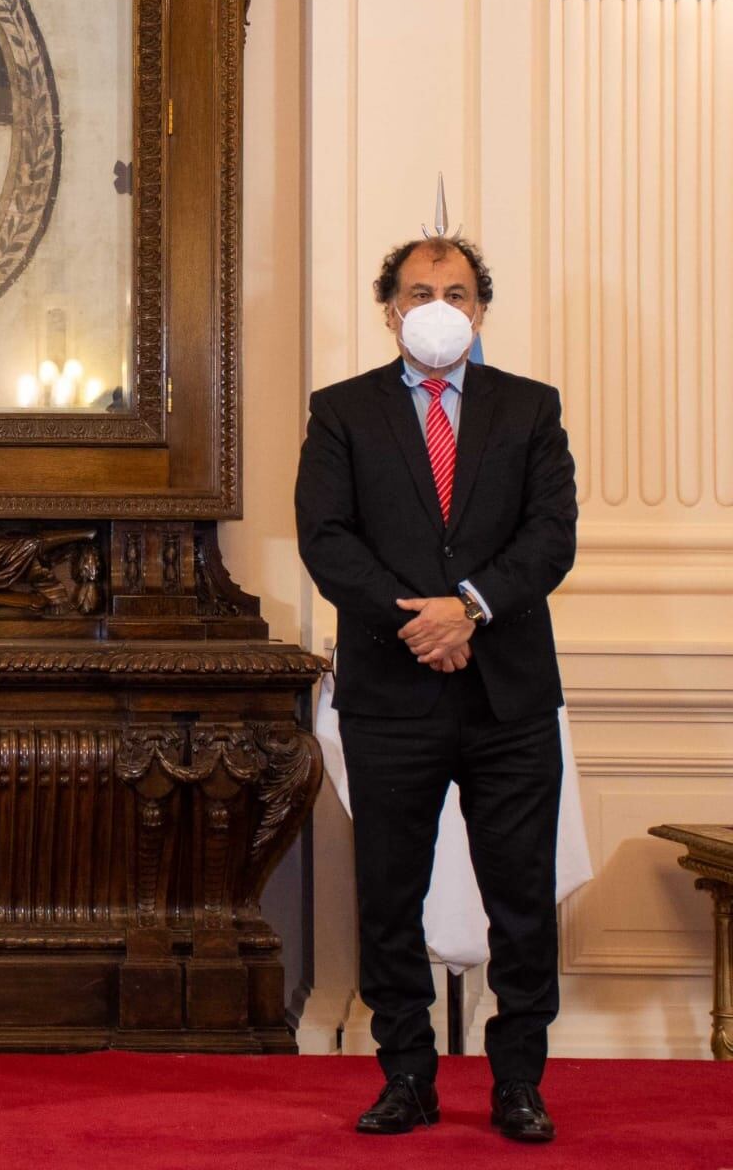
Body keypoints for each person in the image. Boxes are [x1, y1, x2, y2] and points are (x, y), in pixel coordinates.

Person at [294, 235, 577, 1143]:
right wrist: (420, 623)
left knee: (521, 899)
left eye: (457, 291)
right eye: (421, 290)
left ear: (481, 311)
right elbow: (326, 538)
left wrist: (473, 610)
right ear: (390, 309)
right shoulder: (341, 411)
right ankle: (406, 1073)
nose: (439, 304)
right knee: (388, 893)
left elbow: (549, 537)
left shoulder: (531, 409)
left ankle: (519, 1082)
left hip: (509, 700)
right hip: (393, 691)